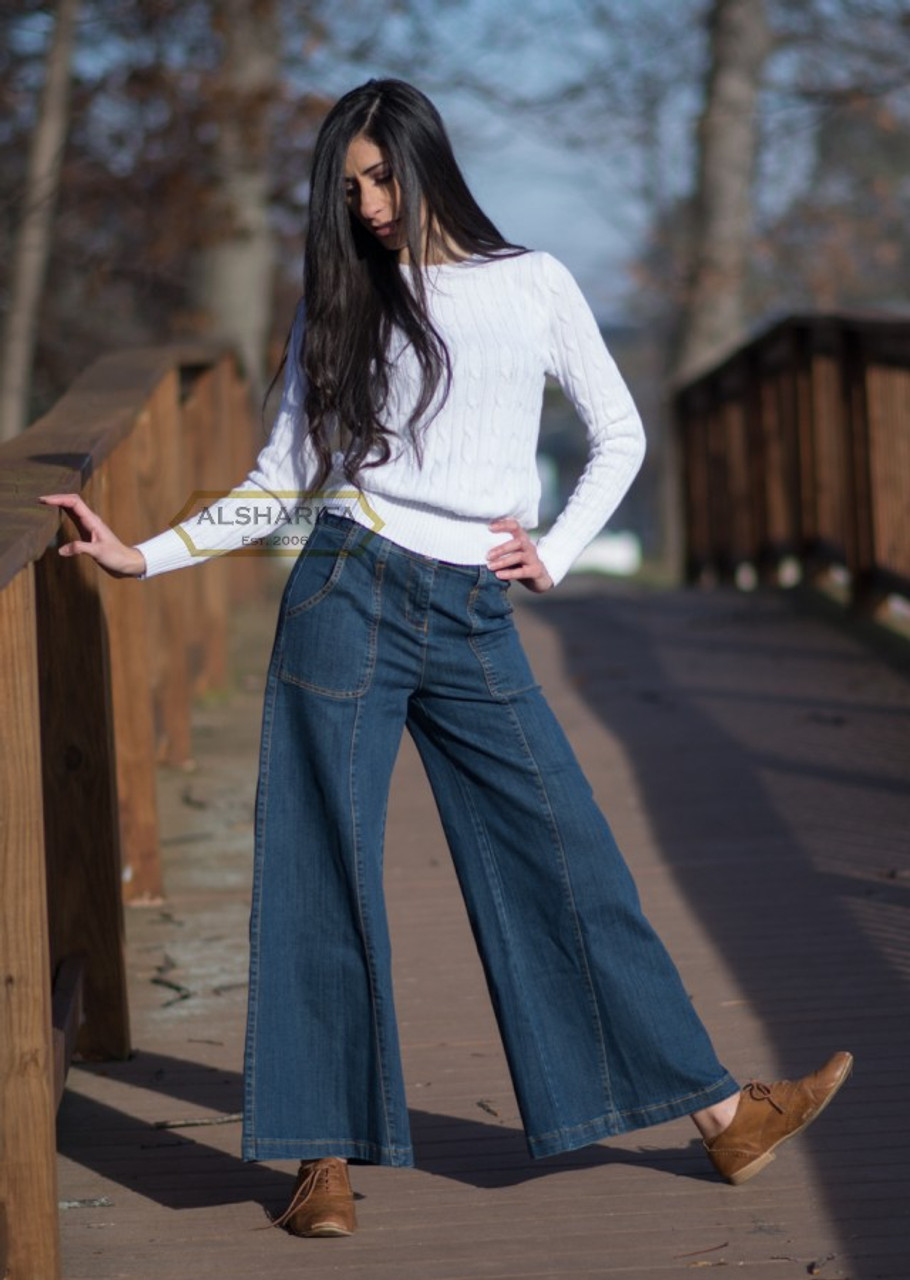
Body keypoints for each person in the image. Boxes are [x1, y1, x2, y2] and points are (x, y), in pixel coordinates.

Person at [40, 78, 852, 1241]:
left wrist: (556, 549)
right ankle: (322, 1162)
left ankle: (722, 1112)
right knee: (320, 869)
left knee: (567, 856)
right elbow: (282, 474)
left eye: (381, 175)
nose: (367, 204)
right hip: (347, 590)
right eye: (348, 185)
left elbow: (618, 431)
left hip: (473, 611)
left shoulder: (533, 283)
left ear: (428, 160)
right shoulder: (339, 296)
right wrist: (145, 554)